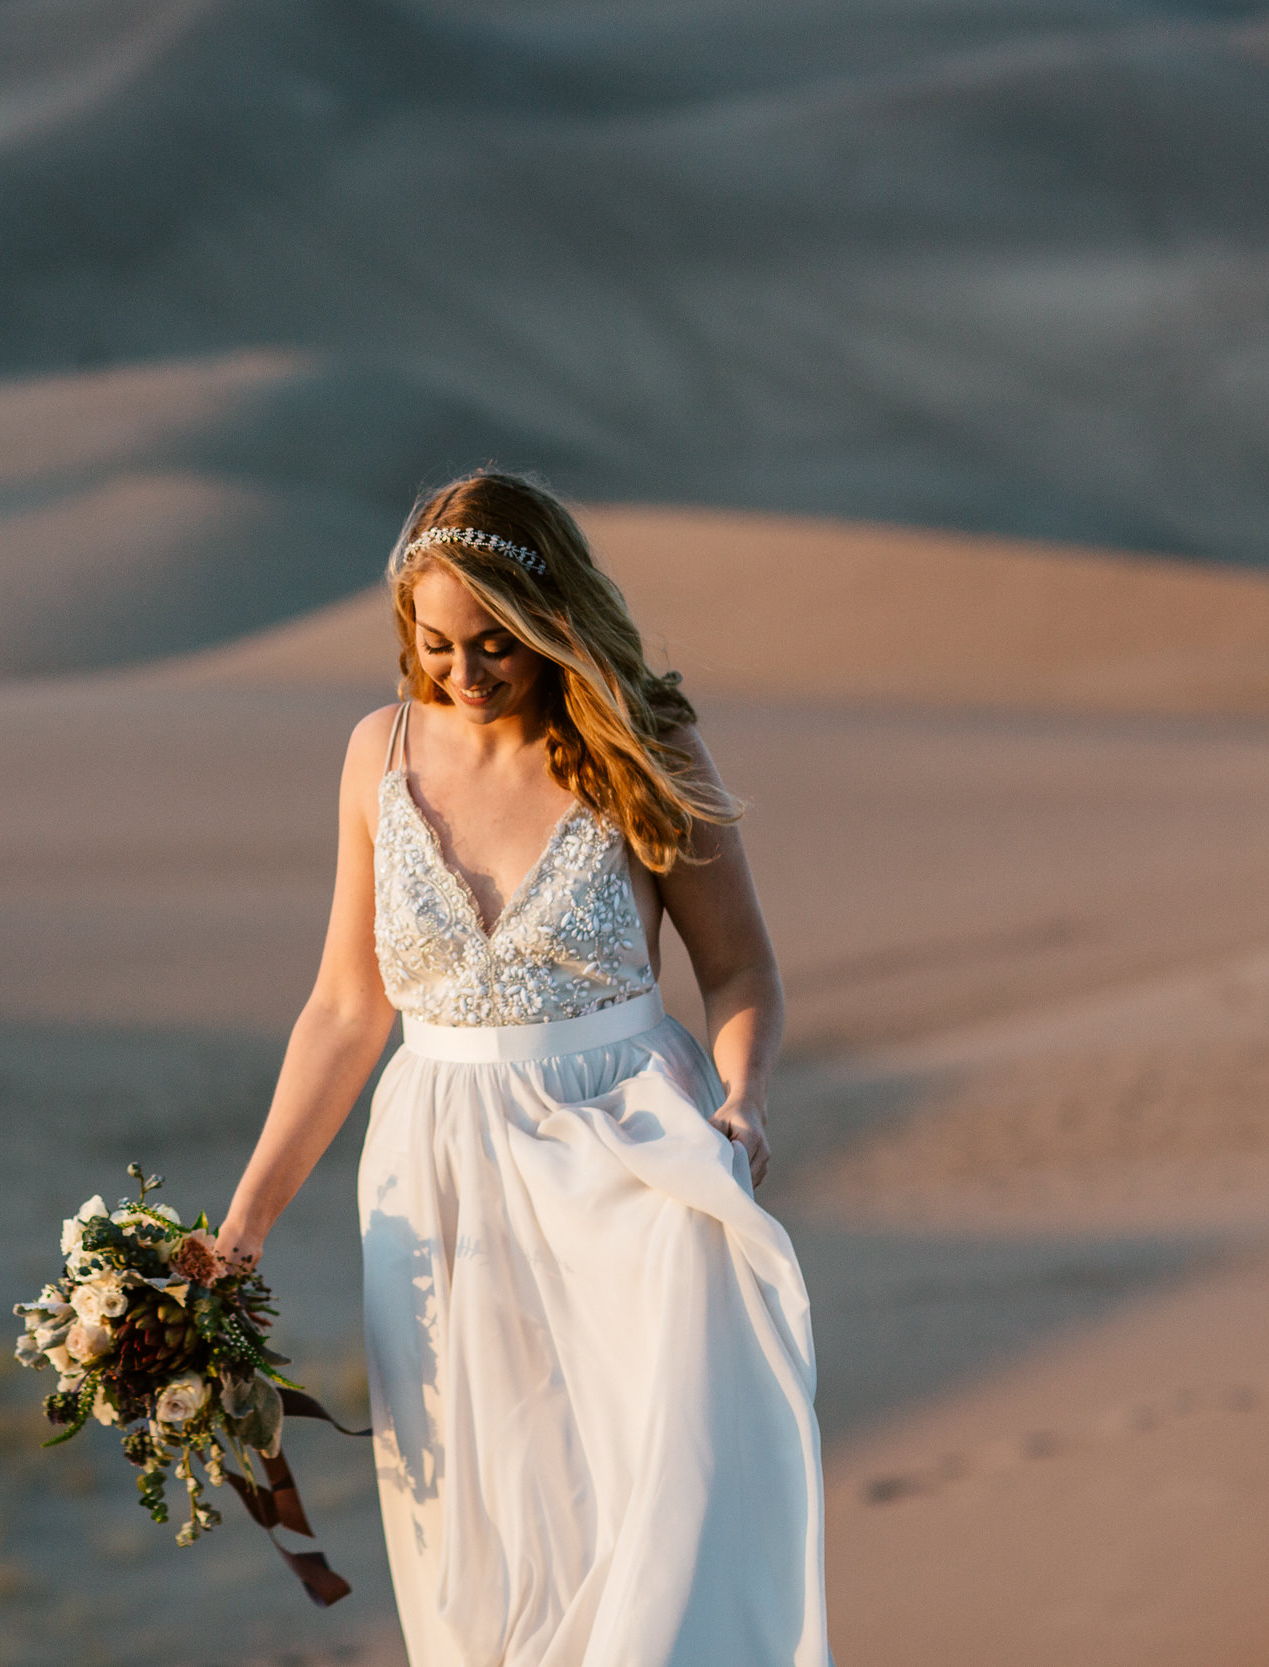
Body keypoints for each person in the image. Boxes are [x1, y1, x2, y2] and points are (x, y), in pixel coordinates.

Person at [216, 472, 828, 1666]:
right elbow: (346, 1007)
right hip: (436, 1179)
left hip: (630, 1157)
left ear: (551, 617)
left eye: (493, 642)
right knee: (477, 1541)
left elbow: (741, 968)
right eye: (434, 642)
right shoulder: (375, 753)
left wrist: (741, 1101)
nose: (461, 670)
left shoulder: (644, 739)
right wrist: (244, 1223)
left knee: (659, 1502)